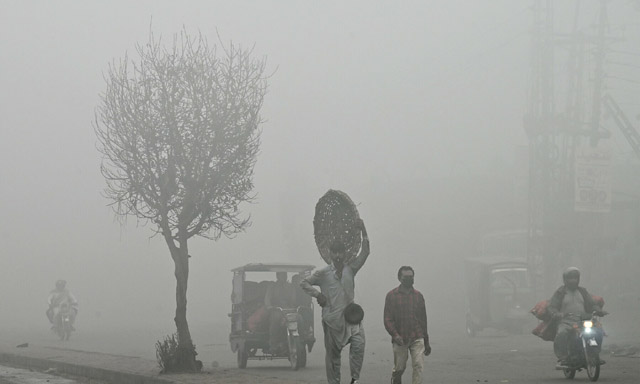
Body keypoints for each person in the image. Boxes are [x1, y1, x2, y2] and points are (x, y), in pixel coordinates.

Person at [301, 219, 370, 384]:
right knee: (333, 357)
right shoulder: (323, 273)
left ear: (345, 253)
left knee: (359, 345)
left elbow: (365, 253)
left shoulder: (351, 269)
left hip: (351, 317)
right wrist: (318, 295)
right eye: (335, 252)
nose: (338, 256)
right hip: (331, 319)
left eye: (341, 252)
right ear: (330, 254)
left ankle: (354, 379)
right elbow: (304, 283)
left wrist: (364, 230)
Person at [547, 267, 606, 368]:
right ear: (565, 279)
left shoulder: (583, 291)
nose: (573, 280)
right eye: (570, 278)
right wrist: (557, 313)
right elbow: (552, 307)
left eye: (575, 278)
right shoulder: (560, 292)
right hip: (566, 322)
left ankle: (594, 354)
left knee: (599, 331)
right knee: (561, 334)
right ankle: (563, 359)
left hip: (584, 321)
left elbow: (592, 304)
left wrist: (598, 311)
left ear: (578, 279)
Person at [384, 266, 431, 384]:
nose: (409, 279)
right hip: (400, 337)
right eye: (406, 277)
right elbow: (387, 319)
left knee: (418, 365)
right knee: (399, 368)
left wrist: (426, 340)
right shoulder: (391, 296)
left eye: (411, 277)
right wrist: (395, 335)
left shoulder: (418, 296)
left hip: (417, 336)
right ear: (399, 278)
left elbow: (423, 319)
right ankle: (395, 379)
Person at [264, 272, 297, 353]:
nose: (284, 277)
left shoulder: (290, 286)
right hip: (276, 309)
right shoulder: (272, 286)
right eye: (282, 275)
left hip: (288, 309)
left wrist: (293, 306)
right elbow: (267, 298)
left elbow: (293, 299)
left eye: (285, 275)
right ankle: (273, 344)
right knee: (275, 319)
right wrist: (269, 306)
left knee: (298, 318)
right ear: (277, 276)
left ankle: (301, 338)